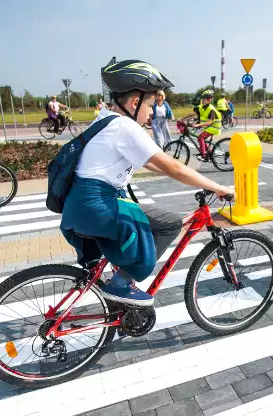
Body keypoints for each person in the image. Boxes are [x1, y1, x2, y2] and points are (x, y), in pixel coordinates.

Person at [60, 60, 234, 306]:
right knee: (170, 224)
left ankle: (118, 288)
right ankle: (122, 283)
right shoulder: (125, 127)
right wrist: (219, 187)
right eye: (151, 104)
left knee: (140, 220)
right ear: (134, 103)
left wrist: (172, 171)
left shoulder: (105, 120)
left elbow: (151, 162)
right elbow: (173, 167)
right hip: (98, 205)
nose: (152, 111)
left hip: (80, 206)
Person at [181, 90, 222, 162]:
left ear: (209, 100)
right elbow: (192, 114)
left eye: (204, 98)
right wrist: (182, 119)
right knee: (201, 138)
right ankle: (209, 152)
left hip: (215, 127)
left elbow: (209, 122)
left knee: (200, 137)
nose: (202, 100)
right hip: (209, 127)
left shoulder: (211, 109)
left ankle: (203, 155)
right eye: (202, 98)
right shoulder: (201, 107)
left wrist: (197, 125)